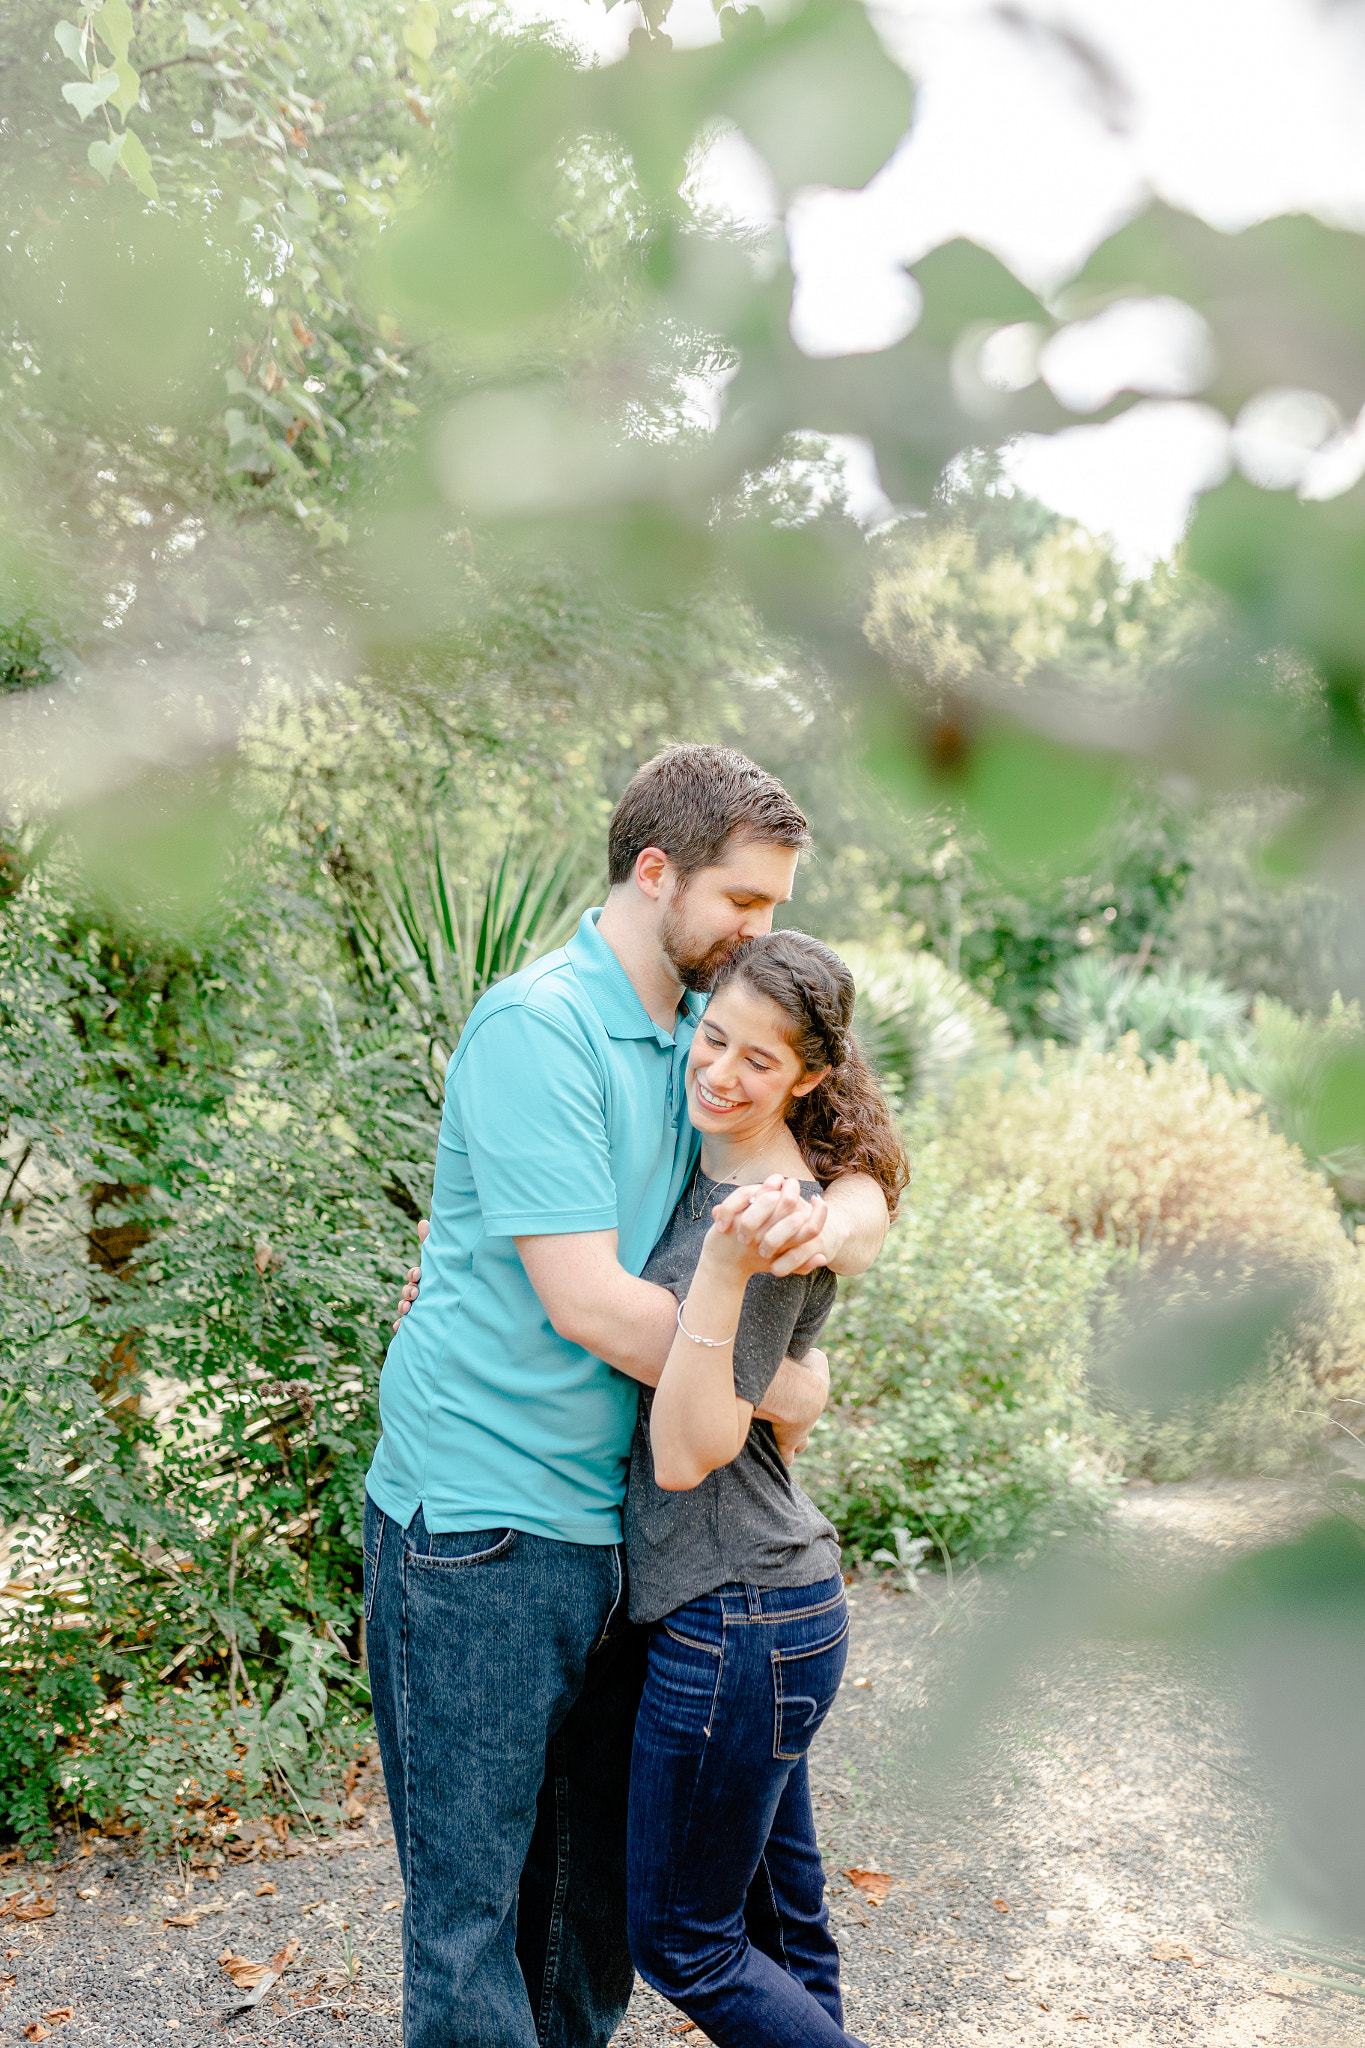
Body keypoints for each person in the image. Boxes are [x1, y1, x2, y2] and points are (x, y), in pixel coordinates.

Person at [364, 745, 892, 2048]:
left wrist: (851, 1225)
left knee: (583, 1917)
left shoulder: (689, 1036)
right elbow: (591, 1302)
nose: (760, 932)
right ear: (655, 872)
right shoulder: (537, 1027)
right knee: (474, 1920)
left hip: (606, 1541)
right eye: (744, 903)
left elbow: (852, 1135)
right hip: (479, 1529)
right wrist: (774, 1386)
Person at [623, 929, 909, 2048]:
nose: (721, 1070)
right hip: (766, 1605)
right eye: (716, 1036)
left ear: (809, 1076)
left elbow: (692, 1450)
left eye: (758, 1059)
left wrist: (732, 1268)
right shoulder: (726, 1165)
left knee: (684, 1939)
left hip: (737, 1612)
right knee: (783, 1926)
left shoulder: (773, 1217)